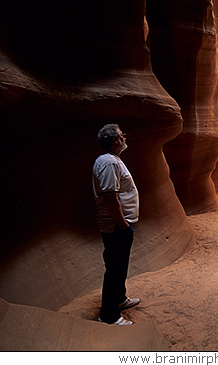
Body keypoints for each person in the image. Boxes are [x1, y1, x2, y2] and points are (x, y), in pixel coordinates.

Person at [92, 124, 140, 325]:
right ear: (114, 140)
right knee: (114, 268)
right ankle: (109, 315)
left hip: (118, 224)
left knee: (120, 266)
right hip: (115, 226)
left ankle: (119, 298)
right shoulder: (109, 163)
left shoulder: (112, 160)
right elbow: (111, 198)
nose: (124, 137)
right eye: (121, 135)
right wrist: (123, 225)